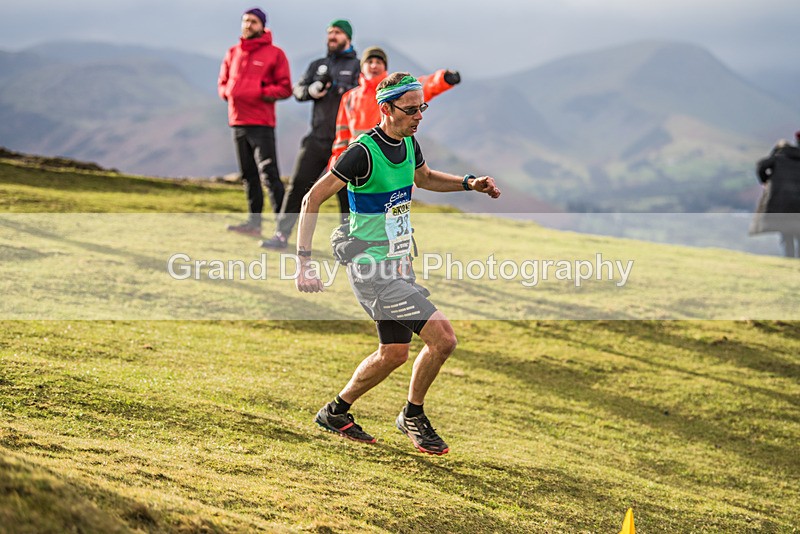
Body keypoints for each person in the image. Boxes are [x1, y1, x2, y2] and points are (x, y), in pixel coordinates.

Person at [294, 73, 501, 455]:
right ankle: (412, 414)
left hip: (399, 264)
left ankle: (335, 412)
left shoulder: (408, 143)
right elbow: (312, 198)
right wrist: (303, 262)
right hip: (373, 270)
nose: (419, 116)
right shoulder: (362, 152)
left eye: (422, 107)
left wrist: (469, 183)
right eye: (411, 109)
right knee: (444, 339)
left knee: (393, 353)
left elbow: (424, 178)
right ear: (386, 109)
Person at [259, 19, 360, 249]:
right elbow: (298, 90)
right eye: (329, 32)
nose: (332, 36)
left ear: (348, 37)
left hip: (345, 142)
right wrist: (312, 90)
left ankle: (351, 243)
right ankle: (281, 235)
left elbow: (365, 95)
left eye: (337, 32)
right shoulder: (318, 64)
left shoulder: (358, 67)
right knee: (298, 186)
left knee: (346, 194)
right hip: (316, 138)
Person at [328, 46, 461, 184]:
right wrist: (337, 161)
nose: (374, 65)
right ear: (362, 67)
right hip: (356, 159)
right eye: (370, 61)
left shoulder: (394, 92)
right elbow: (342, 134)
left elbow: (422, 85)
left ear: (384, 67)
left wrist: (444, 78)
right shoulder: (350, 97)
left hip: (388, 158)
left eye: (379, 62)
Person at [219, 7, 292, 237]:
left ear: (262, 25)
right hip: (238, 121)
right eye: (245, 21)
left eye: (252, 21)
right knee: (248, 175)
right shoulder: (233, 52)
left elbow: (285, 88)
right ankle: (254, 224)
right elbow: (223, 82)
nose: (248, 25)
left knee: (269, 174)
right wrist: (230, 92)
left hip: (261, 123)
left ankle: (283, 228)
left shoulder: (275, 54)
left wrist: (259, 91)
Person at [751, 133, 800, 258]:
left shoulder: (779, 157)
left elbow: (761, 165)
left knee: (786, 232)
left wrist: (765, 180)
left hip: (782, 201)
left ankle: (789, 258)